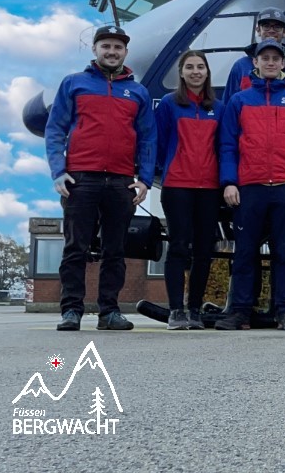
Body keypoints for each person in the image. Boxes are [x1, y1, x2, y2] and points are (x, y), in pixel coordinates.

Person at [45, 25, 155, 332]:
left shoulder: (138, 92)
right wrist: (58, 171)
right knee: (75, 248)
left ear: (125, 53)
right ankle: (71, 311)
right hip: (80, 179)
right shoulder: (74, 84)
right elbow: (55, 129)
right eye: (106, 46)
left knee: (115, 250)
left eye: (118, 47)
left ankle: (110, 311)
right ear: (95, 50)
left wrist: (144, 178)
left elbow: (148, 138)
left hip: (121, 181)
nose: (112, 51)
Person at [215, 39, 285, 331]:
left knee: (284, 253)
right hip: (249, 187)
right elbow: (227, 145)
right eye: (265, 58)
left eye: (275, 58)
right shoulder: (239, 101)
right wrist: (229, 182)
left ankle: (284, 311)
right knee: (245, 252)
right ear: (255, 64)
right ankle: (240, 311)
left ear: (283, 64)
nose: (270, 62)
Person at [154, 50, 224, 330]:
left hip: (209, 188)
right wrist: (171, 168)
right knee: (179, 246)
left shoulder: (218, 107)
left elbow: (223, 146)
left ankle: (194, 309)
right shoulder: (170, 104)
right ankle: (175, 310)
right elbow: (157, 144)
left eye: (201, 67)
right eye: (190, 67)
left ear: (207, 72)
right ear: (181, 73)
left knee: (205, 250)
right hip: (177, 187)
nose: (196, 71)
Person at [223, 7, 285, 114]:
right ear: (258, 30)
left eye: (277, 27)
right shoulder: (241, 66)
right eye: (266, 26)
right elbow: (228, 107)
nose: (271, 31)